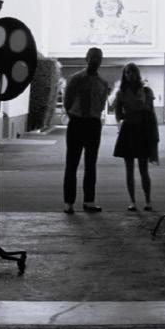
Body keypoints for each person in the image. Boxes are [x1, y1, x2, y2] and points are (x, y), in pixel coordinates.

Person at [62, 47, 111, 213]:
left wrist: (94, 117)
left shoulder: (102, 83)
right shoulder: (75, 79)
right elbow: (67, 102)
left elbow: (101, 104)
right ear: (87, 58)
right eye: (93, 57)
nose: (96, 60)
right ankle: (69, 202)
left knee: (91, 164)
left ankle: (89, 201)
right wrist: (74, 116)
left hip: (93, 124)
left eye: (99, 57)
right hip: (77, 122)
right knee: (72, 164)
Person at [112, 63, 160, 211]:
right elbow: (118, 114)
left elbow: (152, 113)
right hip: (128, 130)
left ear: (137, 74)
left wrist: (154, 133)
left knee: (143, 168)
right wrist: (121, 124)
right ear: (124, 75)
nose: (129, 75)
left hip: (143, 130)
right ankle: (132, 201)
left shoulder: (146, 91)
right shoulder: (121, 93)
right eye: (127, 73)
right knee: (129, 169)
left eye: (132, 72)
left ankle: (148, 201)